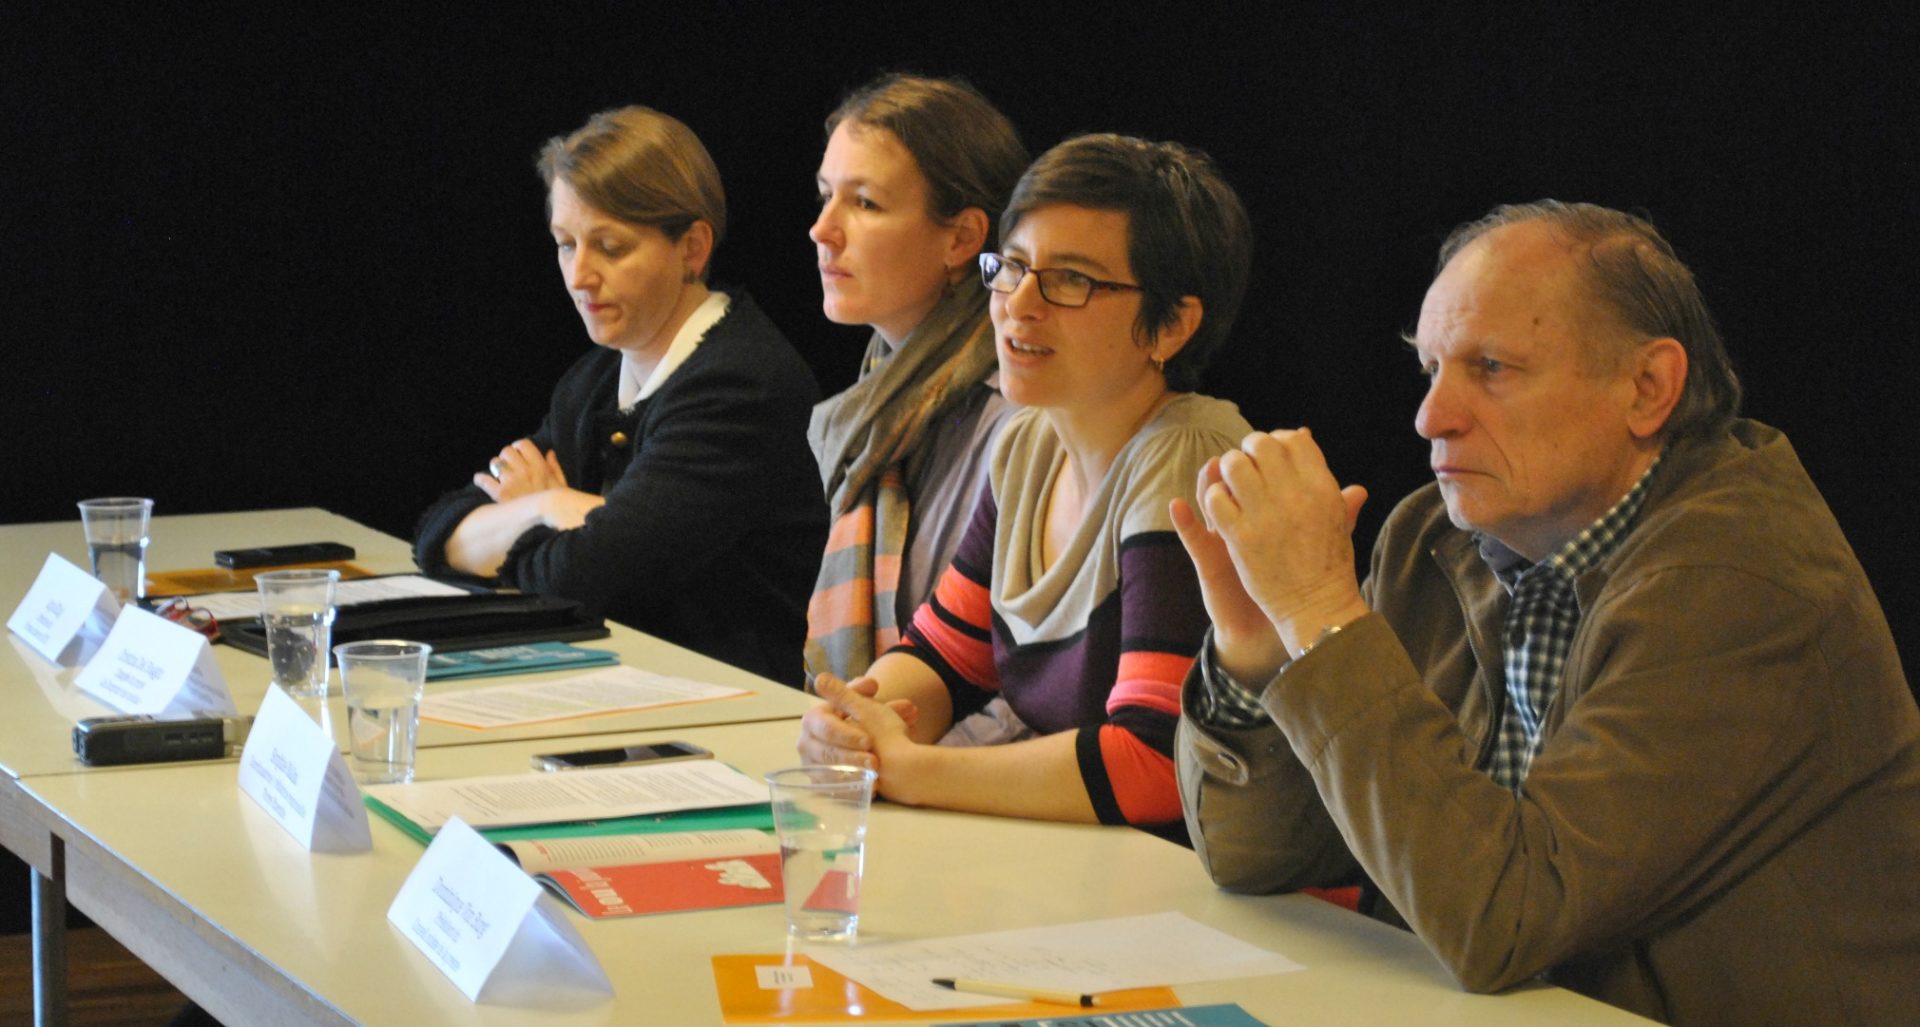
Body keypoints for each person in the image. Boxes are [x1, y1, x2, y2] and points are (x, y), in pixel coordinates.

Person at [1173, 201, 1920, 1025]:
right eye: (1429, 369)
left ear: (1648, 388)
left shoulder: (1746, 583)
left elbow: (1507, 919)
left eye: (1491, 367)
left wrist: (1323, 614)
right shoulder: (1433, 537)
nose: (1431, 417)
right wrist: (1259, 650)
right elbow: (1258, 855)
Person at [800, 134, 1256, 839]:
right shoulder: (1028, 441)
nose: (1020, 303)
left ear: (1170, 326)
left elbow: (1153, 760)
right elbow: (945, 656)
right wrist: (855, 721)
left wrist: (910, 769)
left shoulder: (1185, 463)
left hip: (1206, 898)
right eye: (1012, 267)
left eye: (1071, 280)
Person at [413, 106, 826, 683]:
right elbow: (439, 533)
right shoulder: (594, 380)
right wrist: (550, 507)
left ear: (692, 248)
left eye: (609, 247)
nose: (579, 275)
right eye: (565, 244)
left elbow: (586, 577)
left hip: (725, 719)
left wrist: (541, 522)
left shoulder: (743, 383)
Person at [804, 74, 1028, 688]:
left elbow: (1026, 689)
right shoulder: (881, 393)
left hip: (956, 770)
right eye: (825, 196)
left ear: (961, 239)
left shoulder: (1016, 417)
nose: (823, 230)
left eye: (865, 203)